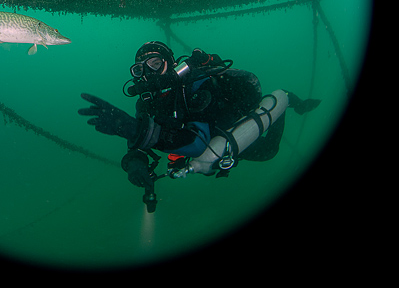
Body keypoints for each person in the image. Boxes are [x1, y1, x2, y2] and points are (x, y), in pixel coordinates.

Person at [78, 41, 321, 211]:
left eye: (155, 63)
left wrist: (136, 130)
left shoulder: (194, 85)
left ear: (171, 64)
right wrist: (135, 164)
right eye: (140, 69)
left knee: (268, 151)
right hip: (208, 147)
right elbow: (139, 145)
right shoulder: (146, 104)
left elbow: (198, 142)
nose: (148, 74)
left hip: (224, 129)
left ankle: (285, 99)